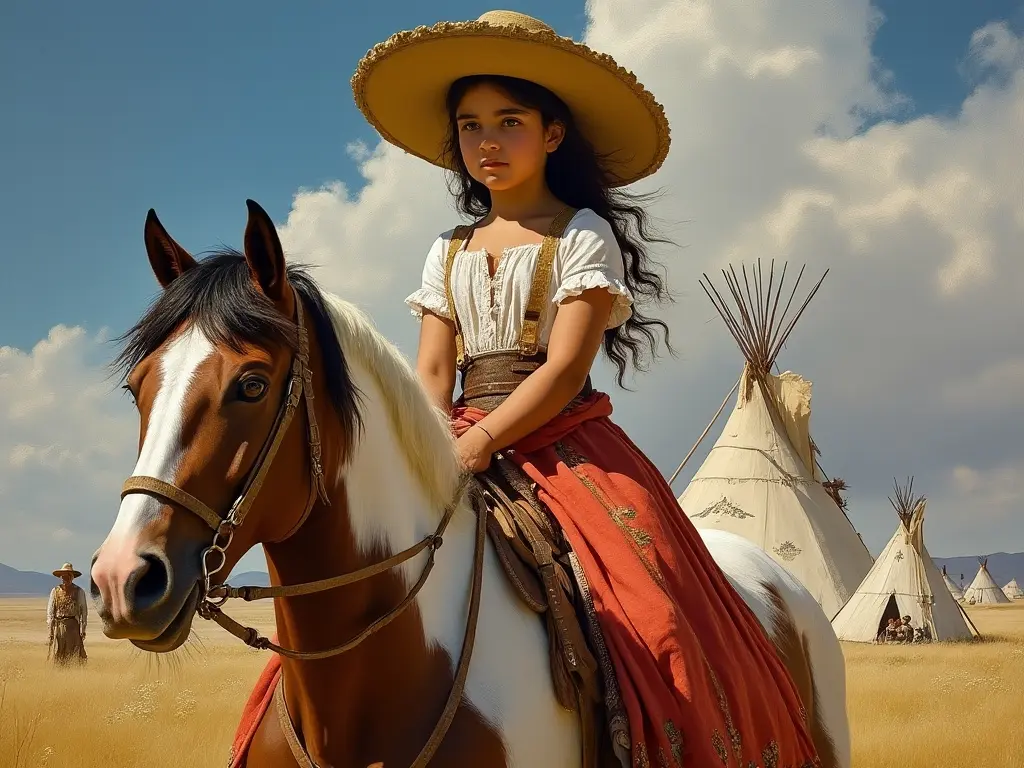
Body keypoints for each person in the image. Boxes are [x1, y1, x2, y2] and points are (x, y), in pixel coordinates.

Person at [352, 10, 821, 766]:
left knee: (655, 611)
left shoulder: (581, 234)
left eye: (509, 121)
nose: (489, 142)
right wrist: (430, 439)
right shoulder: (447, 249)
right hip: (457, 432)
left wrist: (478, 441)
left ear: (552, 134)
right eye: (471, 127)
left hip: (565, 440)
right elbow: (433, 369)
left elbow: (565, 369)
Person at [46, 562, 88, 666]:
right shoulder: (55, 591)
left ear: (72, 577)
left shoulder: (79, 591)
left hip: (73, 626)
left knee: (74, 652)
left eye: (68, 576)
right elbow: (50, 611)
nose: (65, 579)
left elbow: (84, 611)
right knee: (58, 651)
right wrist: (50, 629)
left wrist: (83, 629)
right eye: (63, 576)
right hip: (58, 625)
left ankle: (73, 673)